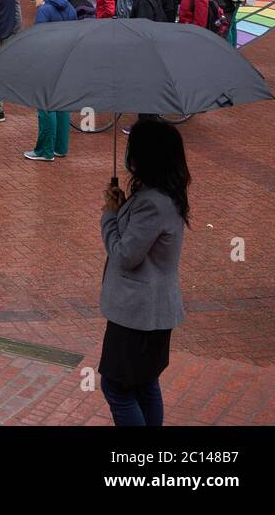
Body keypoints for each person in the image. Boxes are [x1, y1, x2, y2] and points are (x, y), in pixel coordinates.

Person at [98, 120, 188, 426]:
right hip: (152, 312)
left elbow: (126, 256)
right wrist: (122, 205)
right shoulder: (165, 194)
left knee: (117, 387)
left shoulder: (152, 203)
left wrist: (110, 216)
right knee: (145, 383)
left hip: (138, 315)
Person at [22, 0, 78, 164]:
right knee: (62, 104)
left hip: (47, 62)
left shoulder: (45, 10)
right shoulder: (70, 7)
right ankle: (60, 147)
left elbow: (39, 38)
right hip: (65, 60)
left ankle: (45, 150)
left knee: (45, 106)